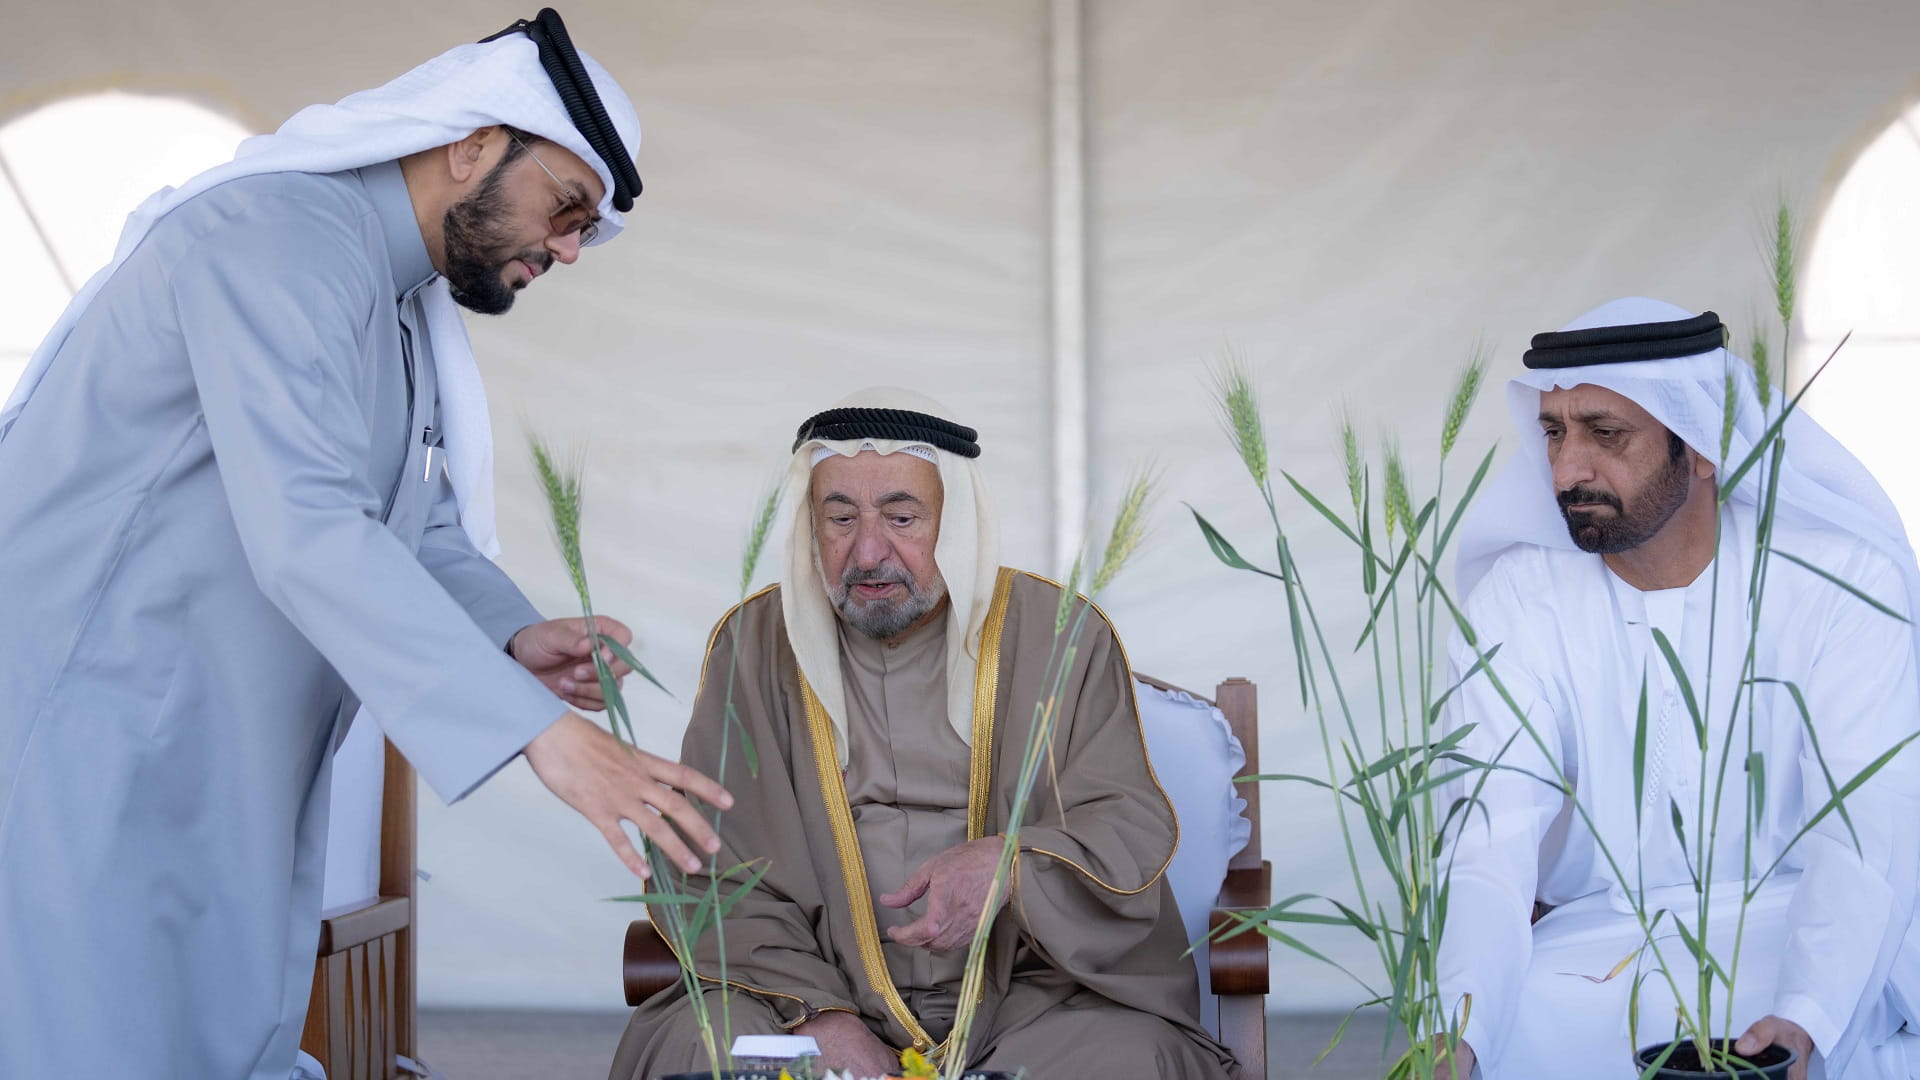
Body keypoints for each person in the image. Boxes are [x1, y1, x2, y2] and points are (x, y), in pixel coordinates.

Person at [0, 11, 731, 1079]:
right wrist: (542, 736)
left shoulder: (387, 295)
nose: (572, 248)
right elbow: (307, 524)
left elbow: (408, 519)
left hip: (207, 748)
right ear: (473, 144)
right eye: (568, 209)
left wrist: (510, 637)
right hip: (89, 742)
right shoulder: (275, 237)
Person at [608, 388, 1242, 1079]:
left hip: (1034, 998)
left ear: (957, 522)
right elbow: (709, 857)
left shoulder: (1060, 635)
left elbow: (1124, 825)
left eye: (902, 518)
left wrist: (1012, 866)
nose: (867, 551)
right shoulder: (757, 643)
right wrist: (819, 1014)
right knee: (699, 1047)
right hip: (808, 987)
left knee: (1124, 1058)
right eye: (839, 518)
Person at [1434, 298, 1920, 1079]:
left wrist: (1809, 1014)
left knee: (1847, 1045)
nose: (1565, 470)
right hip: (1597, 946)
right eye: (1554, 432)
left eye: (1606, 433)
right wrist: (1457, 1032)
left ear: (1701, 446)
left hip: (1809, 928)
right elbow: (1489, 842)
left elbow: (1868, 824)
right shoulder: (1518, 600)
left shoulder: (1839, 579)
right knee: (1516, 1033)